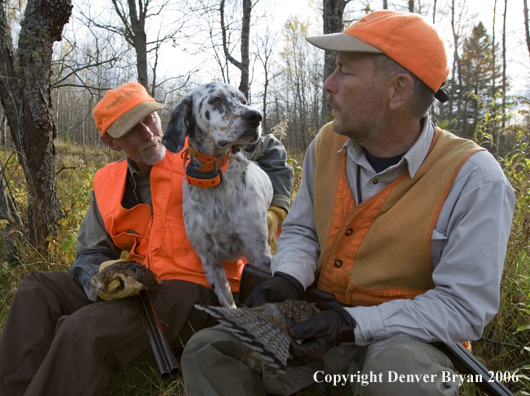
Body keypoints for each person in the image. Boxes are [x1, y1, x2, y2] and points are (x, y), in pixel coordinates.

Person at [181, 10, 515, 396]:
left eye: (345, 71)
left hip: (411, 339)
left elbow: (464, 308)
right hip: (315, 321)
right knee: (209, 349)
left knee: (398, 375)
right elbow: (303, 230)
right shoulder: (326, 143)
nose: (328, 83)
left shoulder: (475, 179)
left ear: (398, 90)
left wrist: (350, 323)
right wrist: (289, 277)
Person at [0, 82, 293, 396]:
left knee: (83, 330)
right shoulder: (107, 182)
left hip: (198, 289)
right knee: (37, 287)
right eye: (132, 129)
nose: (148, 133)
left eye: (150, 118)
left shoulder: (200, 146)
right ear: (111, 142)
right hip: (143, 289)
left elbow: (270, 148)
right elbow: (91, 251)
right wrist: (103, 280)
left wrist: (276, 209)